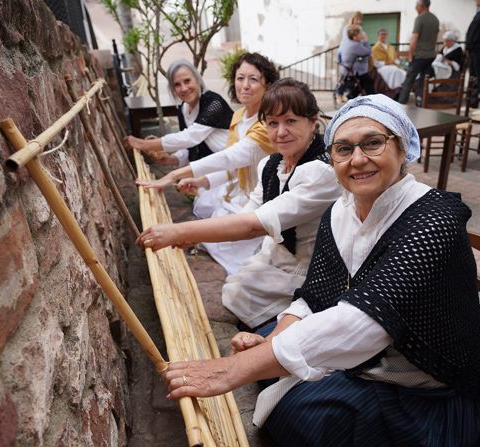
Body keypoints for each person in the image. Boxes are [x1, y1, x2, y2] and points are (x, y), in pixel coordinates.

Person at [161, 95, 480, 447]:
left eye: (373, 143)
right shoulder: (340, 211)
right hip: (378, 357)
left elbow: (364, 324)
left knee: (295, 411)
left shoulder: (434, 221)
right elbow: (316, 294)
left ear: (403, 148)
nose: (357, 159)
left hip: (434, 390)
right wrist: (270, 342)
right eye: (343, 149)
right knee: (268, 350)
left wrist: (232, 371)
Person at [136, 78, 342, 330]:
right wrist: (197, 235)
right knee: (235, 289)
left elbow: (253, 225)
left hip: (308, 267)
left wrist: (181, 231)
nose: (280, 132)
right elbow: (250, 211)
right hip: (275, 254)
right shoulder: (271, 164)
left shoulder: (320, 172)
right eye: (273, 123)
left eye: (291, 121)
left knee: (241, 299)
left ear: (312, 121)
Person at [137, 52, 279, 275]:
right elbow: (234, 168)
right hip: (238, 190)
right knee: (206, 209)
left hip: (260, 196)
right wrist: (202, 181)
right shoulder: (239, 116)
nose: (245, 85)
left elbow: (228, 157)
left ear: (268, 85)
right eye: (240, 78)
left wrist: (174, 174)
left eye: (253, 79)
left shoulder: (267, 122)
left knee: (235, 249)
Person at [123, 59, 234, 219]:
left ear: (197, 78)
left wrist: (143, 144)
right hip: (208, 171)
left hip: (229, 168)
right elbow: (190, 148)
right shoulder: (184, 109)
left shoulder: (213, 103)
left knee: (217, 211)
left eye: (187, 81)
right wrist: (171, 160)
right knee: (203, 208)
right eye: (177, 84)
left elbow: (191, 137)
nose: (184, 88)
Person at [398, 0, 440, 105]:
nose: (416, 8)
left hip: (419, 56)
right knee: (424, 82)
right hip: (430, 55)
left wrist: (410, 56)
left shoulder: (420, 19)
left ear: (421, 6)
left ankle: (400, 105)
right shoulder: (435, 19)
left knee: (408, 81)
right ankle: (422, 104)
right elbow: (435, 39)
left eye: (416, 6)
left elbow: (414, 39)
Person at [339, 25, 376, 98]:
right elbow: (368, 51)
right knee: (369, 81)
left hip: (348, 68)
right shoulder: (355, 45)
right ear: (354, 36)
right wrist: (366, 40)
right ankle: (372, 99)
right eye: (360, 34)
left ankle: (352, 95)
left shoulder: (349, 42)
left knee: (364, 81)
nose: (361, 36)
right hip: (352, 70)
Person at [336, 12, 364, 103]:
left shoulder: (361, 29)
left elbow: (361, 41)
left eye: (359, 19)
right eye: (356, 19)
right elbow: (350, 39)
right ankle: (339, 94)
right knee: (344, 74)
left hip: (353, 53)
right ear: (353, 19)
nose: (358, 21)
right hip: (344, 53)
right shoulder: (347, 28)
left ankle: (350, 95)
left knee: (352, 75)